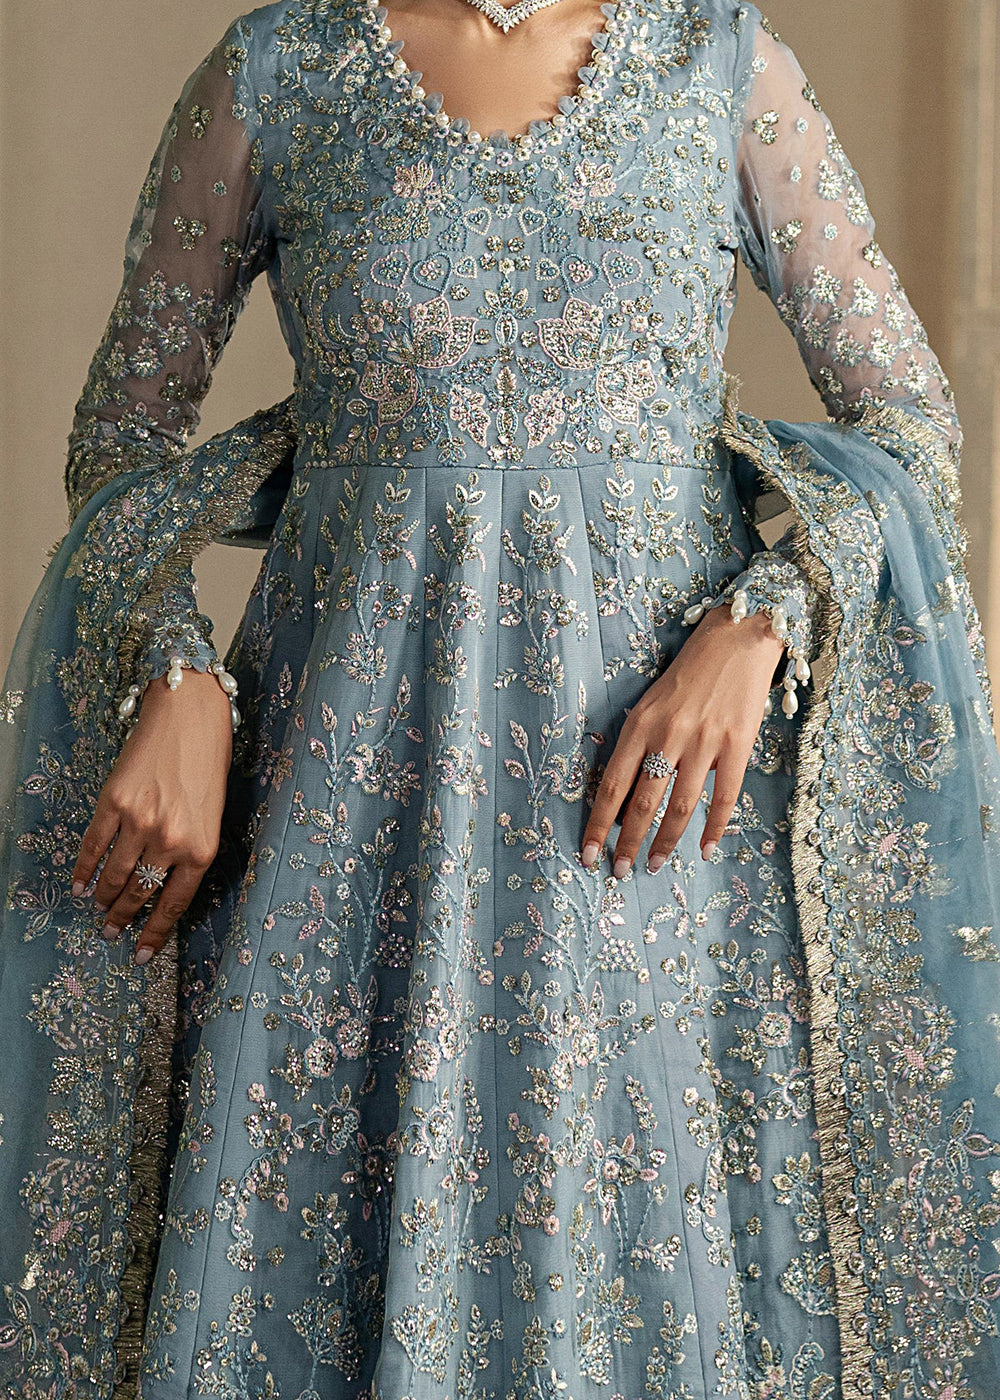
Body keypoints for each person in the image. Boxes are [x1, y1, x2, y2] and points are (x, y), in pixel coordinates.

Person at [1, 0, 999, 1394]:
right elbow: (121, 443)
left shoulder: (716, 63)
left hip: (651, 839)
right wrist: (180, 674)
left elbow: (911, 432)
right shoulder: (280, 72)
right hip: (348, 829)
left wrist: (759, 624)